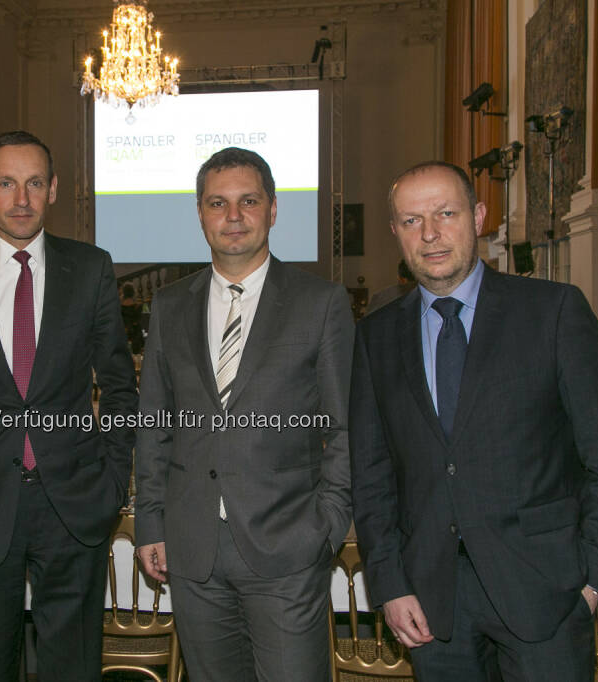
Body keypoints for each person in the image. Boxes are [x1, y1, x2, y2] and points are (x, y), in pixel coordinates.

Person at [350, 161, 598, 681]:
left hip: (545, 592)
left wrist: (594, 580)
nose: (431, 234)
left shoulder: (552, 312)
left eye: (446, 213)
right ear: (395, 232)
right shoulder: (376, 337)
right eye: (412, 221)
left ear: (479, 216)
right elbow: (372, 478)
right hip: (432, 602)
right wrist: (389, 584)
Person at [0, 130, 138, 681]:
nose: (21, 199)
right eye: (6, 183)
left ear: (53, 188)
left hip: (75, 505)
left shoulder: (90, 269)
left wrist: (111, 484)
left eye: (34, 183)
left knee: (74, 670)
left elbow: (121, 387)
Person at [135, 147, 354, 681]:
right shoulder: (169, 305)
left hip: (288, 548)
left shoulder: (321, 303)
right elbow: (155, 423)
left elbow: (348, 428)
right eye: (218, 203)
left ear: (273, 210)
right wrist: (150, 521)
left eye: (248, 201)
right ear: (201, 214)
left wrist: (325, 528)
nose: (233, 216)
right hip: (192, 550)